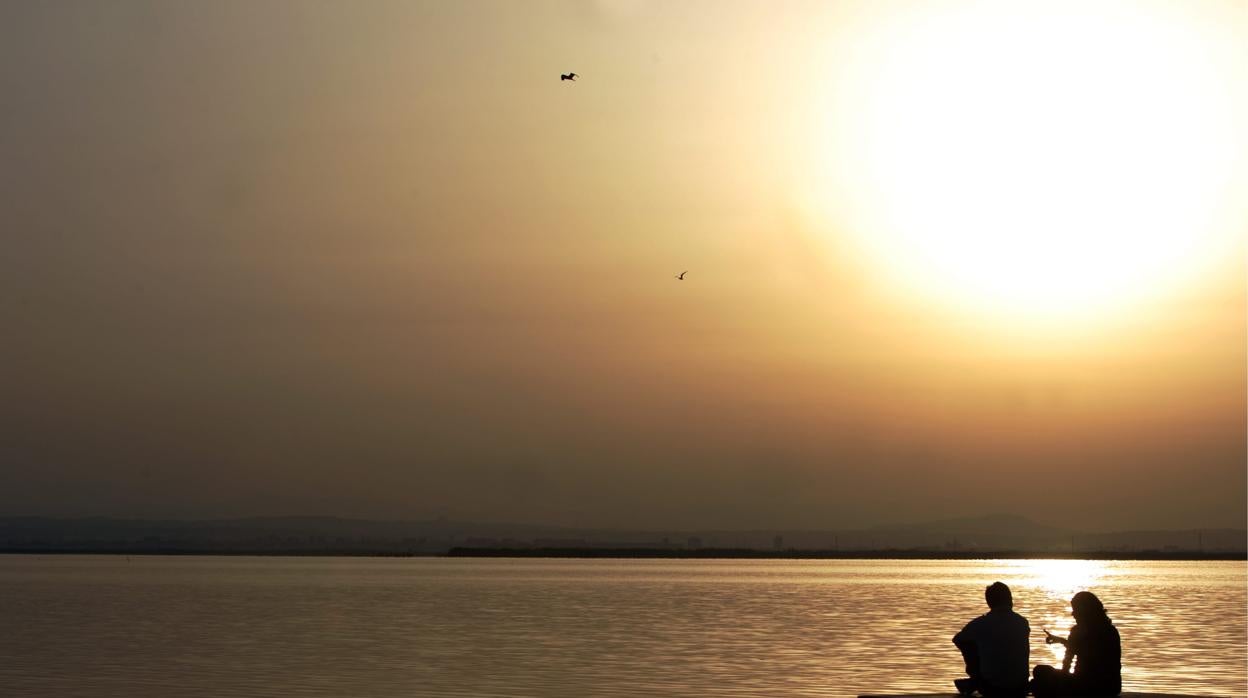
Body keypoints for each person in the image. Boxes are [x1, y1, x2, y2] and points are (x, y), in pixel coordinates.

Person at [1031, 591, 1121, 697]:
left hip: (1085, 685)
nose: (1072, 614)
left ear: (1084, 611)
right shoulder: (1111, 630)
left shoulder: (1078, 631)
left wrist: (1060, 684)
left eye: (1075, 610)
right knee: (1040, 680)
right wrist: (1062, 641)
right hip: (1112, 686)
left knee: (1040, 672)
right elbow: (1088, 650)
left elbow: (1067, 665)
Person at [953, 581, 1031, 698]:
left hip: (991, 687)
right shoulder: (1022, 622)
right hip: (1020, 686)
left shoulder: (980, 623)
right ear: (1010, 599)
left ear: (989, 602)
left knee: (968, 643)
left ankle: (977, 679)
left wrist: (975, 656)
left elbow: (958, 639)